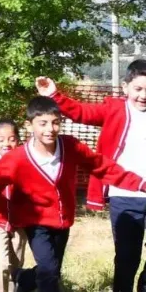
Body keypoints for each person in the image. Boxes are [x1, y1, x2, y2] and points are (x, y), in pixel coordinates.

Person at [0, 96, 146, 292]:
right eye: (42, 123)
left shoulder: (70, 146)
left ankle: (24, 278)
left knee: (52, 271)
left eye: (55, 122)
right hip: (35, 222)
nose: (50, 129)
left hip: (63, 222)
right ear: (29, 125)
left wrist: (139, 183)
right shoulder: (17, 158)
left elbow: (102, 166)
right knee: (48, 273)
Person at [38, 65, 146, 292]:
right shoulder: (115, 110)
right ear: (125, 87)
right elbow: (82, 112)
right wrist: (54, 95)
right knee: (127, 256)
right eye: (138, 89)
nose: (143, 95)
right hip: (125, 195)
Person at [0, 119, 27, 292]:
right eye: (1, 140)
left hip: (20, 222)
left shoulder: (24, 161)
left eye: (11, 139)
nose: (6, 144)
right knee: (1, 263)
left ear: (18, 140)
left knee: (16, 265)